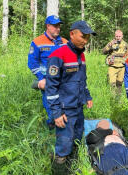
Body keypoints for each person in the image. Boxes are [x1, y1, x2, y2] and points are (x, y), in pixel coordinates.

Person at [45, 20, 96, 165]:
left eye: (88, 38)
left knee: (77, 138)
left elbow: (82, 79)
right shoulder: (58, 55)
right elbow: (51, 87)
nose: (85, 41)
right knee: (64, 143)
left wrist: (87, 96)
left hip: (79, 106)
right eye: (83, 36)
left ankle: (72, 165)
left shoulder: (81, 55)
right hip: (65, 110)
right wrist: (56, 113)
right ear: (72, 34)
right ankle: (59, 167)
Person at [28, 15, 67, 129]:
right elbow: (32, 63)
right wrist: (41, 78)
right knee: (52, 110)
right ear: (48, 26)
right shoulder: (37, 42)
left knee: (66, 108)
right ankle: (51, 133)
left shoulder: (65, 42)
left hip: (64, 81)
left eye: (59, 26)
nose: (58, 28)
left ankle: (63, 132)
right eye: (55, 26)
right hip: (48, 82)